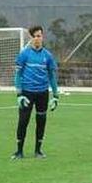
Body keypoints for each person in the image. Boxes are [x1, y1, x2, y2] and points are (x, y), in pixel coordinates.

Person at [12, 25, 59, 160]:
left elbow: (51, 77)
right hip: (27, 93)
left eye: (40, 36)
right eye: (36, 36)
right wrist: (19, 95)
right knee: (23, 121)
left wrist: (55, 96)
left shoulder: (48, 56)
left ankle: (38, 151)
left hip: (42, 93)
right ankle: (19, 151)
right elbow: (18, 75)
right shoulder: (24, 54)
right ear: (31, 38)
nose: (38, 38)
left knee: (41, 121)